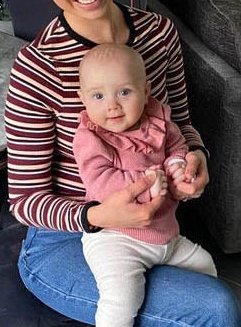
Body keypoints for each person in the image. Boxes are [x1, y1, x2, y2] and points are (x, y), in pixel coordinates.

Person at [5, 0, 241, 326]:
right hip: (65, 239)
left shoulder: (159, 34)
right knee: (216, 308)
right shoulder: (36, 68)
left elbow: (182, 124)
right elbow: (23, 201)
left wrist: (196, 159)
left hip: (151, 226)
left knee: (211, 287)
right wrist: (97, 215)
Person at [74, 43, 217, 326]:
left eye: (124, 92)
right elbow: (98, 180)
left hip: (166, 237)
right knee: (120, 302)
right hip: (116, 240)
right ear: (83, 99)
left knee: (205, 266)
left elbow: (177, 146)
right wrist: (147, 184)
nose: (112, 105)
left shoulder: (160, 122)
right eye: (98, 96)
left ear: (146, 91)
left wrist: (179, 168)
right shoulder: (91, 137)